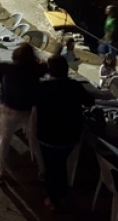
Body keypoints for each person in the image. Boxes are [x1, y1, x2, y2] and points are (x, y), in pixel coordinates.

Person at [34, 55, 95, 211]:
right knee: (60, 164)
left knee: (52, 167)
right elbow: (90, 101)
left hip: (47, 136)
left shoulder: (43, 87)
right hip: (70, 137)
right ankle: (61, 194)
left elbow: (33, 102)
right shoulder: (74, 86)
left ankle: (54, 199)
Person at [0, 43, 46, 185]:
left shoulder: (10, 69)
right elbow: (45, 67)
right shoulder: (35, 71)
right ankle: (42, 170)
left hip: (10, 109)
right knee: (34, 140)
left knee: (4, 139)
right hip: (28, 110)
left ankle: (0, 172)